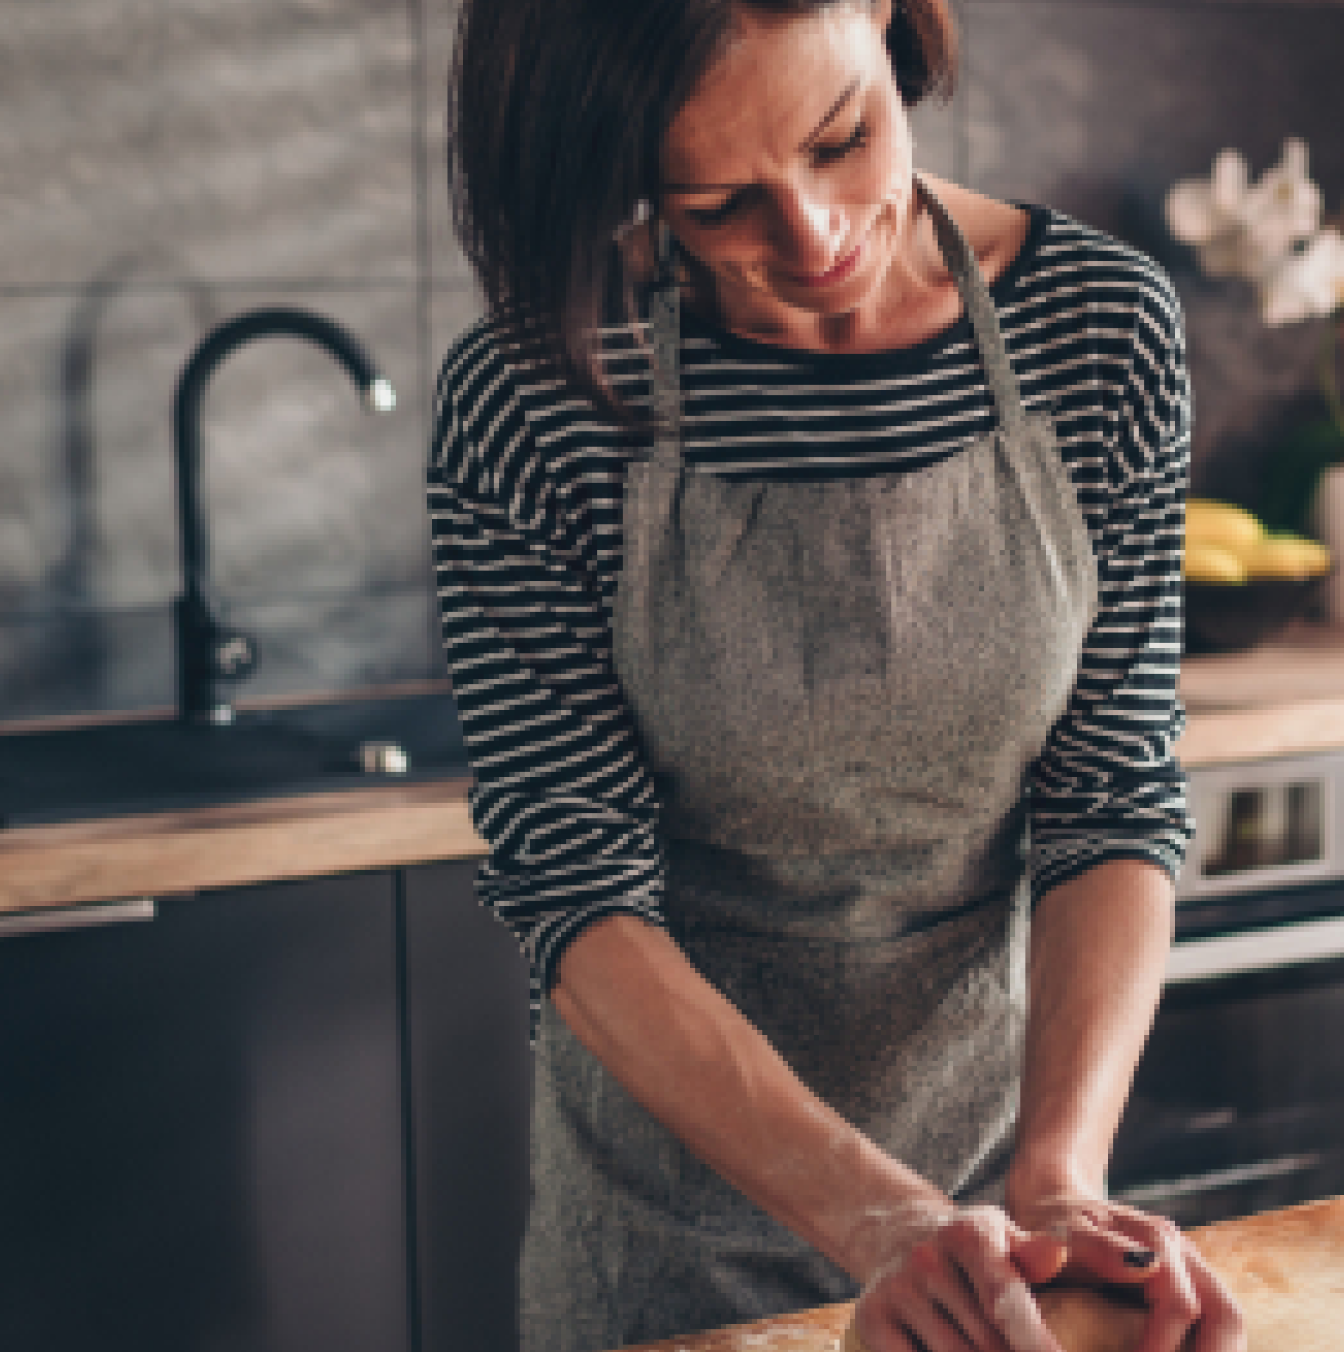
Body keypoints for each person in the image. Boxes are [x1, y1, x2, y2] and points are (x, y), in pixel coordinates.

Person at [429, 2, 1240, 1351]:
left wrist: (1057, 1187)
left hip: (999, 1227)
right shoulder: (539, 390)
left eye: (845, 136)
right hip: (664, 1251)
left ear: (885, 20)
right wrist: (881, 1223)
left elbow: (1111, 797)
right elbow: (576, 888)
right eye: (713, 203)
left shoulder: (1099, 329)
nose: (812, 238)